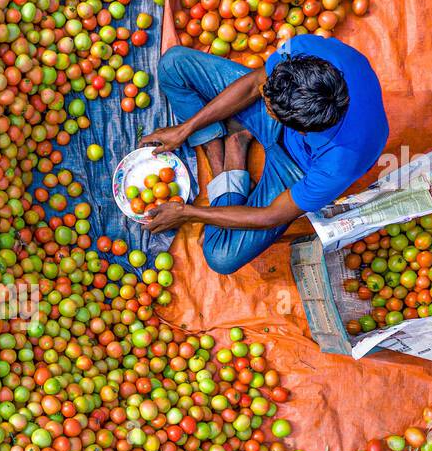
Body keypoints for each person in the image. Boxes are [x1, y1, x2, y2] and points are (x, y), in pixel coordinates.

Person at [139, 35, 388, 274]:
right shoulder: (307, 54)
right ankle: (220, 153)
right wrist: (185, 129)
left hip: (295, 167)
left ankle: (235, 149)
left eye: (271, 111)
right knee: (173, 64)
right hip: (291, 113)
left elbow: (271, 215)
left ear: (302, 130)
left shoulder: (339, 163)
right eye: (267, 100)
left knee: (221, 256)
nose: (264, 102)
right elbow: (253, 87)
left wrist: (187, 214)